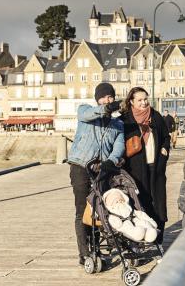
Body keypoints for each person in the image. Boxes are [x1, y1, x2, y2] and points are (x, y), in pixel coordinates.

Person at [66, 82, 124, 266]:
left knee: (99, 210)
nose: (109, 99)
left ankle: (97, 248)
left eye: (111, 97)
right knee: (82, 210)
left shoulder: (118, 124)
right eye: (105, 97)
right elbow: (88, 114)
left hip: (101, 170)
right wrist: (107, 108)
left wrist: (110, 161)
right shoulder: (86, 111)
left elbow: (119, 147)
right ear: (98, 98)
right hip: (80, 166)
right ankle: (84, 253)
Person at [119, 87, 170, 243]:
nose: (144, 102)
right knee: (140, 202)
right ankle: (139, 237)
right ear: (132, 102)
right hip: (135, 170)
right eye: (140, 100)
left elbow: (166, 137)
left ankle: (158, 237)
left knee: (158, 201)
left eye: (145, 99)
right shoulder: (125, 120)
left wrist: (164, 150)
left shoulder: (156, 116)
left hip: (156, 167)